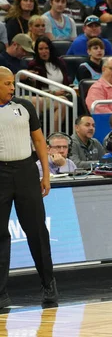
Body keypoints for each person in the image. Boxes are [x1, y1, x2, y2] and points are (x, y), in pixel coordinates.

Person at [0, 67, 57, 308]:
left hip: (26, 172)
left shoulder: (24, 107)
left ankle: (49, 285)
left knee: (37, 231)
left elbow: (39, 140)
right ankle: (1, 293)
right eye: (7, 84)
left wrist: (45, 173)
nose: (13, 87)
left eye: (13, 83)